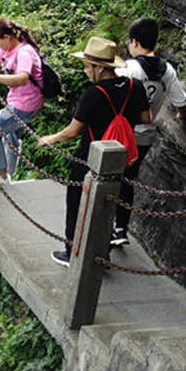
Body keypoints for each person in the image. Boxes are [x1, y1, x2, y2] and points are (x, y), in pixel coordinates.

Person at [37, 36, 151, 266]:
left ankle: (71, 252)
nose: (86, 71)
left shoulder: (94, 94)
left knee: (77, 202)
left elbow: (73, 130)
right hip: (120, 156)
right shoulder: (134, 86)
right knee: (107, 204)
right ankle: (103, 252)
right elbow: (146, 118)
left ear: (100, 68)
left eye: (88, 66)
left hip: (90, 157)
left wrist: (51, 138)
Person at [113, 16, 186, 244]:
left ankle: (102, 226)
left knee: (108, 178)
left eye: (130, 42)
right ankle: (120, 229)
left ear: (135, 42)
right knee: (128, 181)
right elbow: (181, 100)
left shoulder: (127, 69)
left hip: (121, 135)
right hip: (144, 137)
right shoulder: (167, 70)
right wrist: (183, 115)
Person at [0, 17, 46, 186]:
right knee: (12, 136)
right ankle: (9, 174)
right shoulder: (7, 50)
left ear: (7, 37)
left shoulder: (24, 52)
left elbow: (22, 78)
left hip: (25, 106)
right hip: (19, 102)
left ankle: (1, 176)